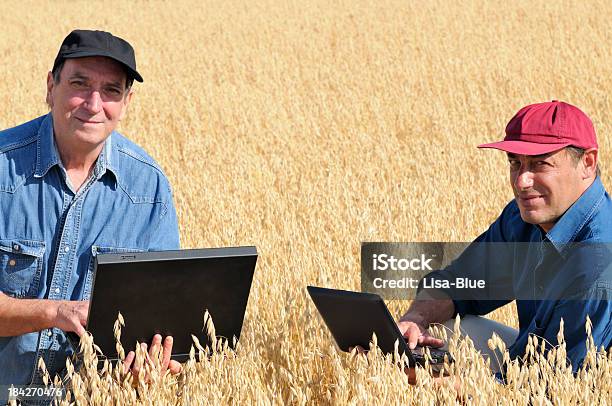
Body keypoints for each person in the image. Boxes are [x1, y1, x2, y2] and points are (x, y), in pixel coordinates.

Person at [0, 30, 181, 389]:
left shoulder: (149, 188)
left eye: (111, 91)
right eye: (80, 84)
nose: (94, 104)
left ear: (127, 102)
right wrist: (55, 312)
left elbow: (161, 314)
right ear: (51, 87)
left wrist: (149, 361)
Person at [397, 100, 612, 381]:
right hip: (531, 364)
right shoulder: (524, 217)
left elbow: (563, 389)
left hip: (577, 385)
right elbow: (459, 282)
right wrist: (416, 319)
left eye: (540, 164)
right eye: (515, 163)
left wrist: (440, 385)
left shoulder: (600, 263)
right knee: (432, 333)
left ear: (587, 163)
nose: (521, 181)